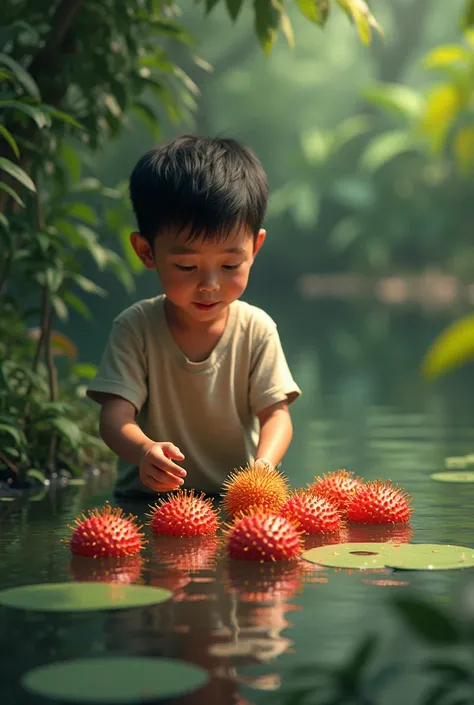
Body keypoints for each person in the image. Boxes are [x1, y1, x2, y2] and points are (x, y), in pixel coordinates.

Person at [86, 134, 301, 499]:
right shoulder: (136, 328)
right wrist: (143, 451)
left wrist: (263, 466)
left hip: (233, 501)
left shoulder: (257, 329)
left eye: (230, 264)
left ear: (256, 247)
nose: (210, 285)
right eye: (187, 266)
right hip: (148, 501)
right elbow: (114, 418)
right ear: (146, 251)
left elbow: (276, 415)